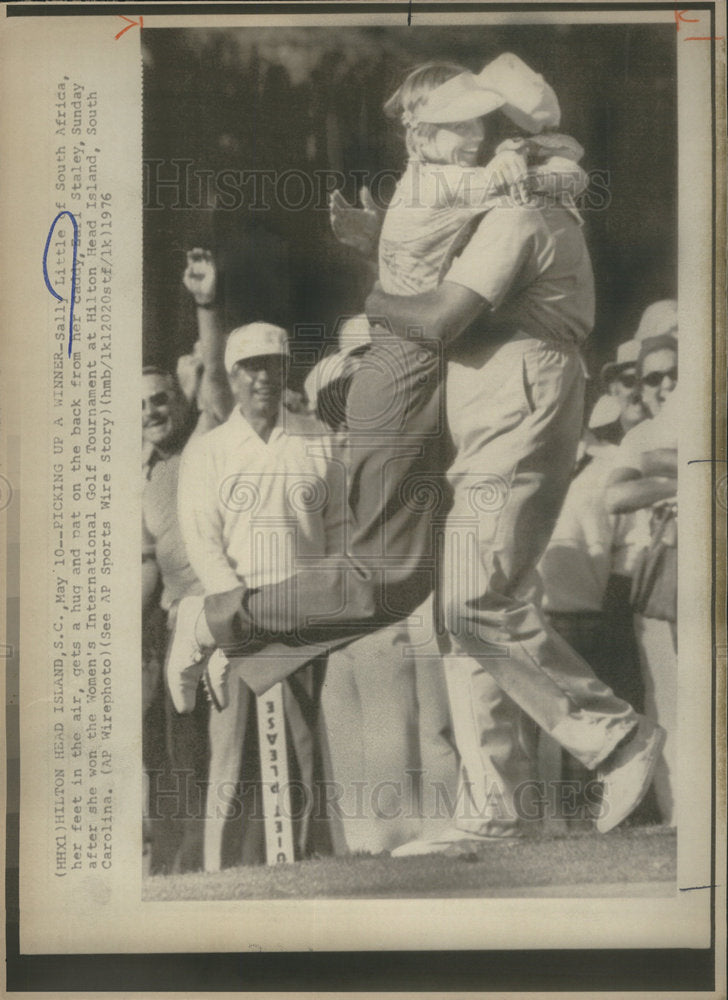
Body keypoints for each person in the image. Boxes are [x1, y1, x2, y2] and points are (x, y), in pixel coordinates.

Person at [167, 54, 665, 847]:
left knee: (467, 601)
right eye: (452, 122)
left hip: (511, 409)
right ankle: (496, 808)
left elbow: (434, 319)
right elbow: (430, 293)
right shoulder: (489, 198)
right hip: (474, 410)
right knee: (450, 602)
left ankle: (615, 739)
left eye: (479, 120)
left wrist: (373, 292)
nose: (468, 135)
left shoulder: (519, 211)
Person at [175, 322, 344, 869]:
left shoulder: (318, 438)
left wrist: (317, 603)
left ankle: (305, 859)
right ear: (232, 375)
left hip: (305, 616)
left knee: (303, 744)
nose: (262, 376)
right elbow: (202, 539)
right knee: (229, 749)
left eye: (272, 363)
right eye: (250, 366)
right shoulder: (209, 451)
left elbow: (338, 529)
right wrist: (236, 611)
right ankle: (221, 867)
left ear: (286, 368)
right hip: (236, 616)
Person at [141, 249, 232, 873]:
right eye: (141, 404)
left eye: (159, 399)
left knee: (210, 752)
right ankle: (176, 867)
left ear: (179, 397)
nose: (151, 410)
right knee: (166, 752)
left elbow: (218, 388)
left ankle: (222, 862)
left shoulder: (200, 442)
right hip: (167, 627)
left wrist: (206, 307)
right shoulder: (138, 475)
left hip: (217, 618)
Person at [605, 333, 678, 823]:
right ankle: (679, 816)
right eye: (653, 378)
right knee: (664, 698)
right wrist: (685, 477)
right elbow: (616, 496)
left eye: (675, 373)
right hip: (655, 580)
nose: (666, 385)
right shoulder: (639, 437)